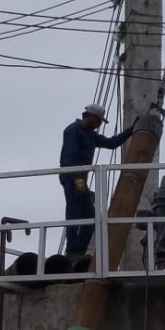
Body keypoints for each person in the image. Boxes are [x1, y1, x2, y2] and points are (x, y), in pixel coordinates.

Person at [59, 103, 135, 260]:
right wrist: (76, 179)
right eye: (99, 121)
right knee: (73, 211)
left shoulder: (90, 135)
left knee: (90, 216)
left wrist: (131, 130)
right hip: (71, 177)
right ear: (91, 117)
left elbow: (111, 143)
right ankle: (72, 249)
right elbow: (68, 159)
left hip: (81, 178)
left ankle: (80, 248)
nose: (100, 124)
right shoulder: (72, 131)